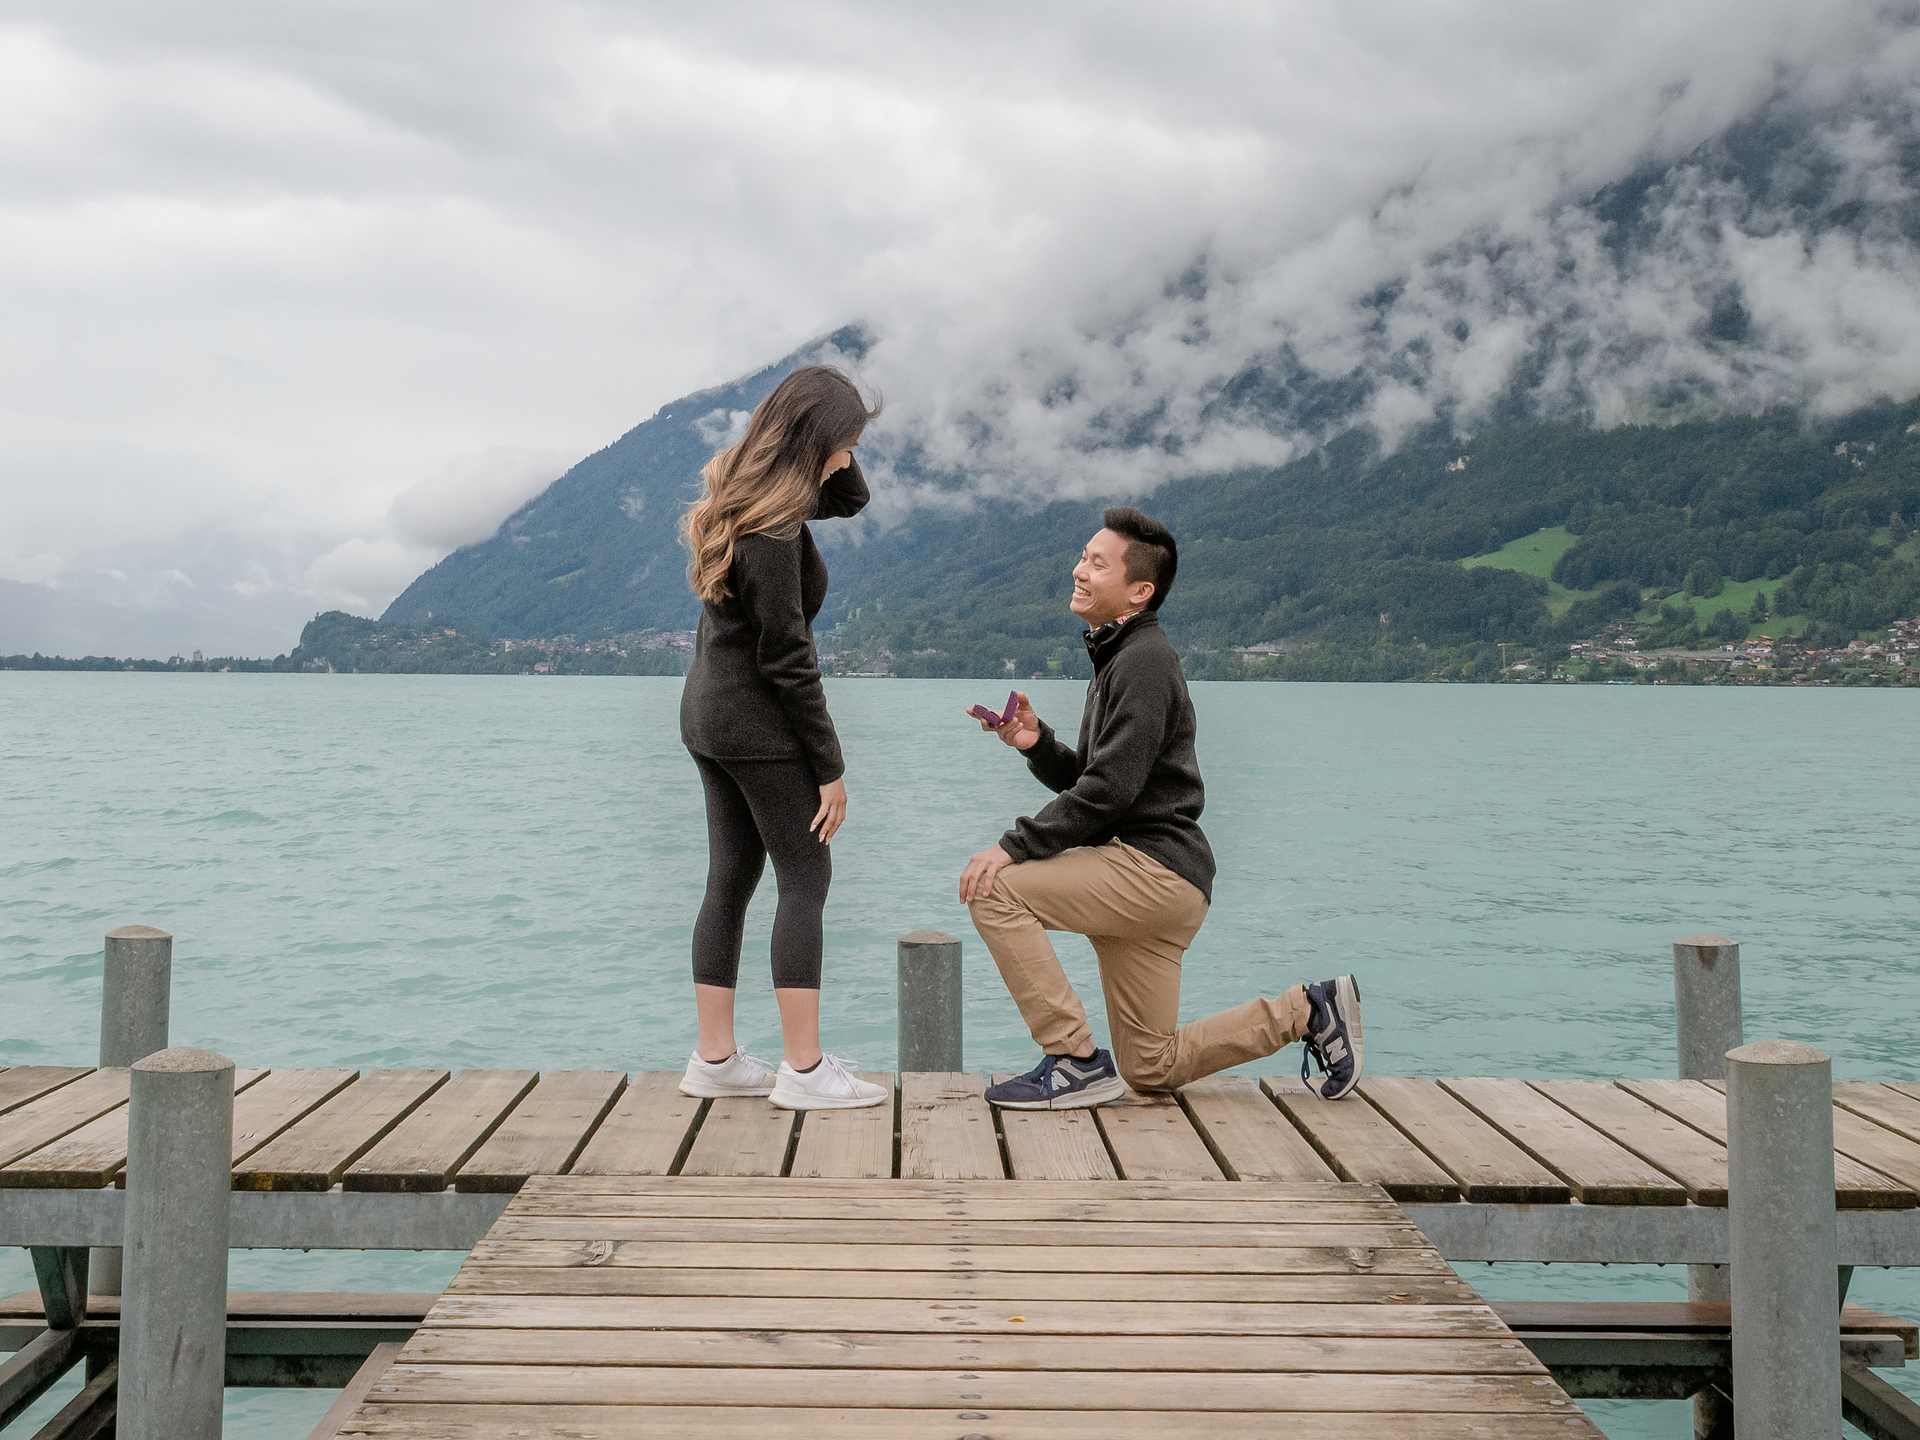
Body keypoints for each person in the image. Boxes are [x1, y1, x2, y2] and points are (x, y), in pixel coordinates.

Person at [960, 506, 1365, 1108]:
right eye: (1082, 557)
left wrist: (1013, 844)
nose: (1079, 571)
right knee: (1151, 1067)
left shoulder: (1143, 662)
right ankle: (1307, 1010)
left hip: (1150, 869)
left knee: (994, 888)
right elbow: (1104, 782)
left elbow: (1109, 793)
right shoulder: (1121, 658)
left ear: (1138, 590)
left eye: (1097, 563)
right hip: (1164, 883)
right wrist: (1037, 744)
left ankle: (1072, 1060)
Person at [676, 365, 886, 1111]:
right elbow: (787, 655)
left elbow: (850, 499)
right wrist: (828, 767)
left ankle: (715, 1061)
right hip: (755, 722)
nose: (847, 462)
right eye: (843, 445)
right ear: (812, 440)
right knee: (806, 877)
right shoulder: (774, 525)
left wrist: (833, 447)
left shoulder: (751, 493)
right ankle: (803, 1072)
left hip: (709, 714)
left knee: (730, 877)